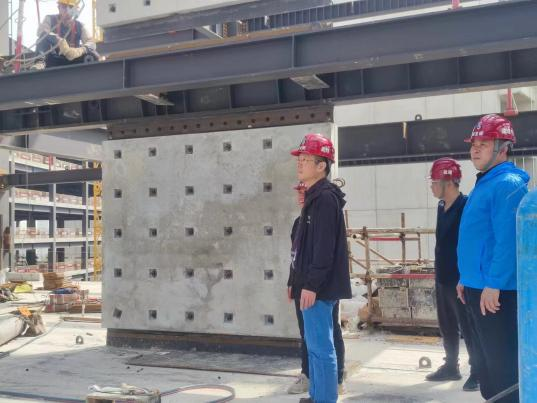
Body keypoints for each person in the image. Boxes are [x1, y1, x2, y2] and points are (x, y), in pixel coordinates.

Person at [457, 114, 529, 403]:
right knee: (486, 366)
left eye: (483, 144)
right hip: (478, 286)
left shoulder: (507, 184)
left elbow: (507, 239)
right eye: (473, 144)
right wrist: (466, 278)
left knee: (502, 368)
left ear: (502, 148)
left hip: (495, 292)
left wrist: (495, 283)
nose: (475, 149)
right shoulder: (486, 183)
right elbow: (479, 238)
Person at [288, 133, 352, 403]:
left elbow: (323, 249)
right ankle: (317, 395)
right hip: (309, 285)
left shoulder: (324, 199)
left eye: (305, 159)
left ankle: (325, 398)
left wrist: (311, 285)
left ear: (321, 165)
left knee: (321, 347)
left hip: (319, 289)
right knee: (314, 346)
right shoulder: (314, 199)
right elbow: (303, 249)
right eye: (299, 159)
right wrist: (296, 281)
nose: (299, 164)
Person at [425, 158, 479, 391]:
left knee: (468, 326)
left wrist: (465, 277)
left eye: (434, 182)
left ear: (447, 182)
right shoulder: (441, 206)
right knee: (447, 325)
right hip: (443, 276)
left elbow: (470, 244)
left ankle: (477, 371)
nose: (431, 186)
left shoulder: (465, 206)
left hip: (460, 279)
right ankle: (451, 366)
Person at [35, 0, 98, 69]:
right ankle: (40, 63)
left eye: (71, 7)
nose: (67, 10)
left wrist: (79, 51)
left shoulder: (80, 25)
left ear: (76, 10)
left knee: (93, 55)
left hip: (72, 59)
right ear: (59, 8)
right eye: (64, 7)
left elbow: (91, 42)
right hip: (53, 59)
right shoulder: (50, 19)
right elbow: (41, 31)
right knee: (41, 39)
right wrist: (58, 40)